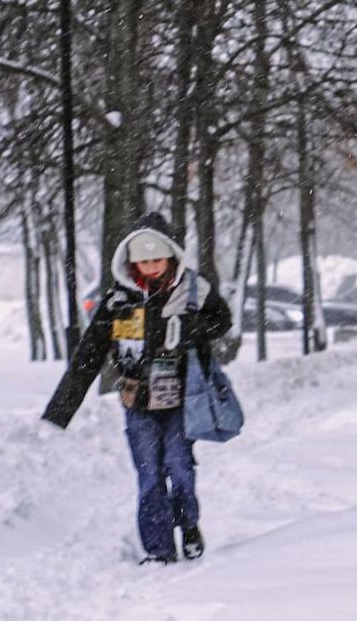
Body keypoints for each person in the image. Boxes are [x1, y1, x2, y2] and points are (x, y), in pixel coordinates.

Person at [41, 212, 232, 565]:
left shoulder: (193, 289)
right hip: (137, 403)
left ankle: (188, 524)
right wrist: (59, 411)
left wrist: (192, 328)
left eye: (157, 259)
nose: (151, 267)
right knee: (149, 477)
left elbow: (223, 319)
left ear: (171, 256)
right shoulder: (118, 302)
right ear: (130, 262)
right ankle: (158, 549)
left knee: (180, 468)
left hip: (180, 401)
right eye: (143, 261)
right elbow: (88, 356)